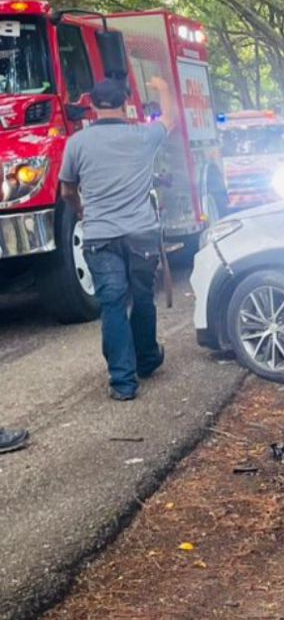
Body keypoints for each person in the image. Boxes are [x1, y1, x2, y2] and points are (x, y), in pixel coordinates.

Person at [59, 76, 168, 401]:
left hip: (100, 235)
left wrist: (80, 210)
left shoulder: (77, 143)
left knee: (113, 304)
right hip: (141, 234)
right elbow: (171, 120)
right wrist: (162, 88)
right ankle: (147, 360)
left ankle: (123, 382)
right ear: (125, 102)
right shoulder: (143, 136)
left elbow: (67, 189)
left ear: (92, 104)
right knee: (143, 296)